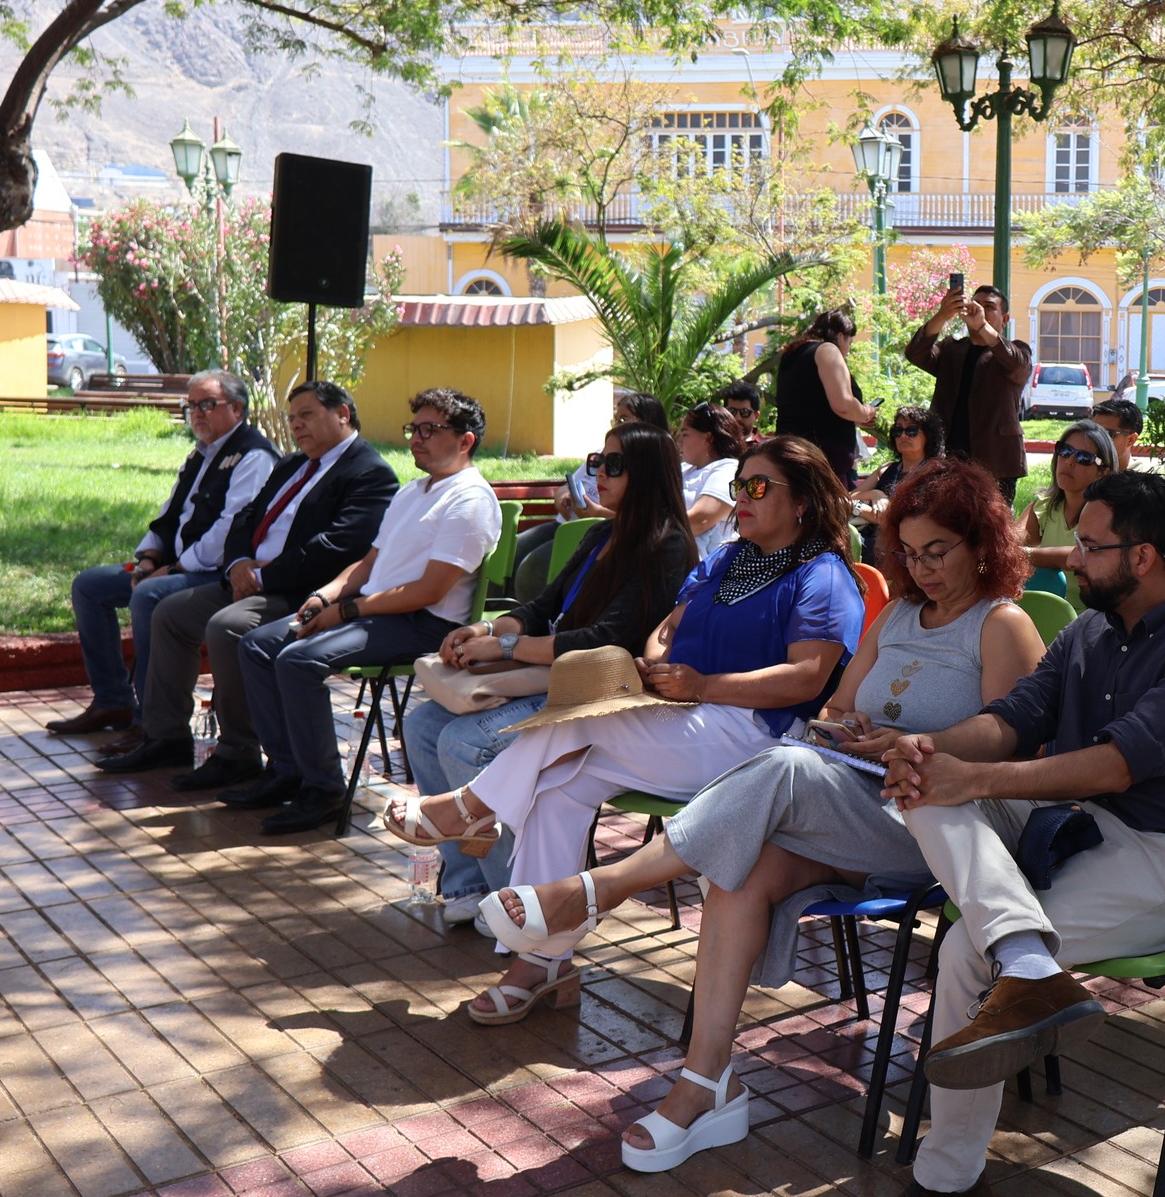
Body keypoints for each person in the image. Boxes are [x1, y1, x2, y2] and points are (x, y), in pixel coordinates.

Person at [468, 460, 1043, 1172]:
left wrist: (908, 743)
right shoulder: (895, 614)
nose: (922, 568)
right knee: (741, 863)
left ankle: (594, 891)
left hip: (944, 826)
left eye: (939, 551)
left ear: (981, 541)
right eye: (912, 552)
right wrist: (852, 729)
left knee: (784, 763)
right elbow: (834, 708)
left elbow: (1009, 741)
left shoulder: (1002, 624)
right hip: (858, 797)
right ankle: (705, 1081)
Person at [383, 436, 865, 1020]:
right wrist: (658, 659)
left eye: (758, 487)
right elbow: (668, 625)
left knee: (578, 725)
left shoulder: (823, 575)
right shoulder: (729, 558)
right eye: (739, 484)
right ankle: (541, 962)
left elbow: (807, 679)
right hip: (685, 717)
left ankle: (469, 808)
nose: (741, 496)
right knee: (558, 786)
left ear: (804, 504)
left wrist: (703, 686)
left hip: (759, 739)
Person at [880, 471, 1165, 1196]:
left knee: (969, 943)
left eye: (1088, 545)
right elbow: (1016, 718)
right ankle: (1027, 956)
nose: (1071, 557)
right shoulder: (1088, 631)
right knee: (923, 784)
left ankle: (946, 1170)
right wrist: (933, 750)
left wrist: (977, 778)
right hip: (1080, 833)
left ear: (1142, 556)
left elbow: (1117, 764)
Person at [384, 422, 697, 922]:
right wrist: (487, 629)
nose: (600, 473)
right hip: (545, 677)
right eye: (597, 461)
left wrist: (506, 645)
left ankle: (514, 905)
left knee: (463, 741)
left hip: (595, 696)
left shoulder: (667, 546)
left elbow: (606, 641)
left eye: (614, 464)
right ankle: (466, 885)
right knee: (422, 726)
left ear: (650, 474)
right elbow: (541, 607)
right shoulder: (602, 535)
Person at [236, 388, 504, 836]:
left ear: (466, 440)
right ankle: (286, 771)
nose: (416, 439)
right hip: (374, 611)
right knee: (257, 644)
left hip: (423, 623)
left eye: (430, 430)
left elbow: (429, 590)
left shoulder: (469, 499)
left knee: (298, 661)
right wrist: (328, 594)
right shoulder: (413, 490)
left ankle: (323, 789)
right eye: (413, 429)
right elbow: (370, 562)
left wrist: (347, 610)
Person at [104, 381, 399, 785]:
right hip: (250, 579)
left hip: (306, 592)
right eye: (292, 418)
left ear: (343, 414)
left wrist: (262, 575)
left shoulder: (370, 473)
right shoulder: (293, 464)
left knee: (228, 627)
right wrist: (240, 562)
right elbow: (246, 517)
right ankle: (166, 736)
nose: (296, 425)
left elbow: (337, 547)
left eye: (307, 415)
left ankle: (238, 751)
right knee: (169, 612)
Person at [50, 370, 278, 740]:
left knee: (149, 596)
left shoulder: (254, 456)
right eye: (191, 406)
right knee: (90, 586)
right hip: (173, 565)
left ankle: (151, 721)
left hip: (217, 573)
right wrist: (148, 559)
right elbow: (169, 514)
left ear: (237, 408)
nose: (197, 414)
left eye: (207, 404)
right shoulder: (201, 454)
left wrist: (172, 569)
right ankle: (113, 700)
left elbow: (230, 531)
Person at [510, 392, 673, 600]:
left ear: (646, 421)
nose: (600, 472)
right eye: (616, 418)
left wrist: (595, 513)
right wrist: (563, 495)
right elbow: (566, 485)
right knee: (513, 551)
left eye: (624, 418)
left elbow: (644, 517)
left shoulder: (650, 462)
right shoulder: (601, 451)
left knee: (532, 569)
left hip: (589, 530)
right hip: (565, 522)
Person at [906, 281, 1031, 501]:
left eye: (989, 306)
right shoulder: (950, 349)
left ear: (1004, 320)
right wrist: (942, 315)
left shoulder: (1015, 350)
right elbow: (915, 353)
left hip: (996, 460)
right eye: (976, 303)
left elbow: (1017, 365)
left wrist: (983, 326)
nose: (980, 309)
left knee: (991, 528)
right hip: (948, 456)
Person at [1019, 418, 1122, 611]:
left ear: (1103, 472)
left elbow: (1079, 556)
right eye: (1065, 451)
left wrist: (1023, 555)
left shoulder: (1109, 515)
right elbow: (1007, 543)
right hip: (1043, 613)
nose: (1069, 461)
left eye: (1084, 458)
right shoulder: (1043, 506)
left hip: (1094, 620)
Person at [775, 308, 878, 486]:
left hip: (790, 452)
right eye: (850, 343)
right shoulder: (828, 350)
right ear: (839, 337)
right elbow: (843, 404)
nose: (848, 350)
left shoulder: (791, 356)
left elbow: (812, 406)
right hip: (821, 460)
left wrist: (855, 419)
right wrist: (865, 412)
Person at [851, 405, 942, 563]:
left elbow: (891, 518)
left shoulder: (932, 473)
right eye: (898, 431)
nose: (904, 436)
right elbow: (846, 498)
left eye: (911, 430)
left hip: (903, 552)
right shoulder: (886, 468)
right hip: (867, 543)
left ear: (928, 436)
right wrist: (875, 495)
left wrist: (859, 508)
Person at [675, 402, 746, 562]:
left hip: (702, 573)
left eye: (685, 434)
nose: (679, 441)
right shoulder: (686, 468)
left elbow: (700, 520)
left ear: (708, 438)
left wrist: (642, 528)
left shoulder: (728, 469)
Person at [1090, 398, 1143, 469]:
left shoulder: (1143, 478)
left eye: (1107, 434)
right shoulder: (1079, 471)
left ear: (1131, 440)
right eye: (1092, 432)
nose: (1096, 439)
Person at [716, 380, 765, 446]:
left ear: (756, 416)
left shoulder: (767, 447)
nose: (737, 418)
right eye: (732, 411)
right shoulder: (714, 444)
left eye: (744, 412)